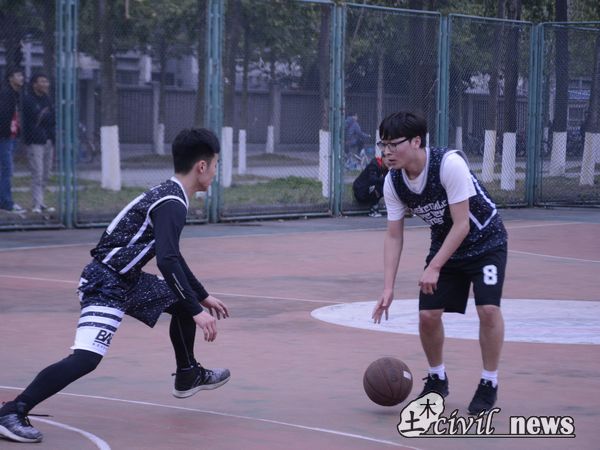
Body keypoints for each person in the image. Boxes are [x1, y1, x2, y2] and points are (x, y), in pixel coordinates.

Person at [0, 128, 231, 443]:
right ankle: (12, 411)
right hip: (105, 282)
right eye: (216, 164)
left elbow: (172, 256)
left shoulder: (170, 194)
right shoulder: (172, 202)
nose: (216, 172)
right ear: (202, 166)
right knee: (86, 358)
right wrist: (196, 309)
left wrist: (200, 296)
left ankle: (188, 373)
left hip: (126, 278)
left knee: (180, 301)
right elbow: (167, 260)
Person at [371, 111, 507, 416]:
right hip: (446, 245)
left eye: (393, 144)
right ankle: (437, 379)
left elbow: (462, 225)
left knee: (488, 309)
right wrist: (388, 287)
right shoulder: (393, 182)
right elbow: (394, 236)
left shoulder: (448, 164)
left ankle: (489, 382)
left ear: (416, 141)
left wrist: (434, 267)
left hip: (486, 242)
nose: (387, 152)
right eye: (383, 145)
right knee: (428, 316)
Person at [22, 73, 55, 214]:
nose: (45, 84)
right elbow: (33, 119)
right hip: (35, 142)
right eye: (42, 81)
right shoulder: (28, 100)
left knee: (46, 173)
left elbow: (52, 118)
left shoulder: (48, 99)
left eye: (46, 81)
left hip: (48, 140)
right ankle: (36, 204)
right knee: (38, 173)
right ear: (35, 84)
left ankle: (41, 202)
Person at [0, 67, 25, 213]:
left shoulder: (15, 94)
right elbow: (3, 115)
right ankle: (6, 202)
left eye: (22, 75)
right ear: (10, 78)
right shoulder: (6, 93)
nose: (21, 78)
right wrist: (5, 134)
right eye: (18, 75)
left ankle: (4, 200)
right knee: (7, 170)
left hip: (11, 136)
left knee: (6, 169)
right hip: (5, 137)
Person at [352, 150, 388, 217]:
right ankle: (373, 210)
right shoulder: (374, 164)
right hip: (360, 190)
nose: (389, 162)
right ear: (383, 158)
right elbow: (372, 179)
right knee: (379, 186)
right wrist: (384, 179)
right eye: (388, 159)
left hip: (368, 190)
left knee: (386, 186)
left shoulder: (387, 168)